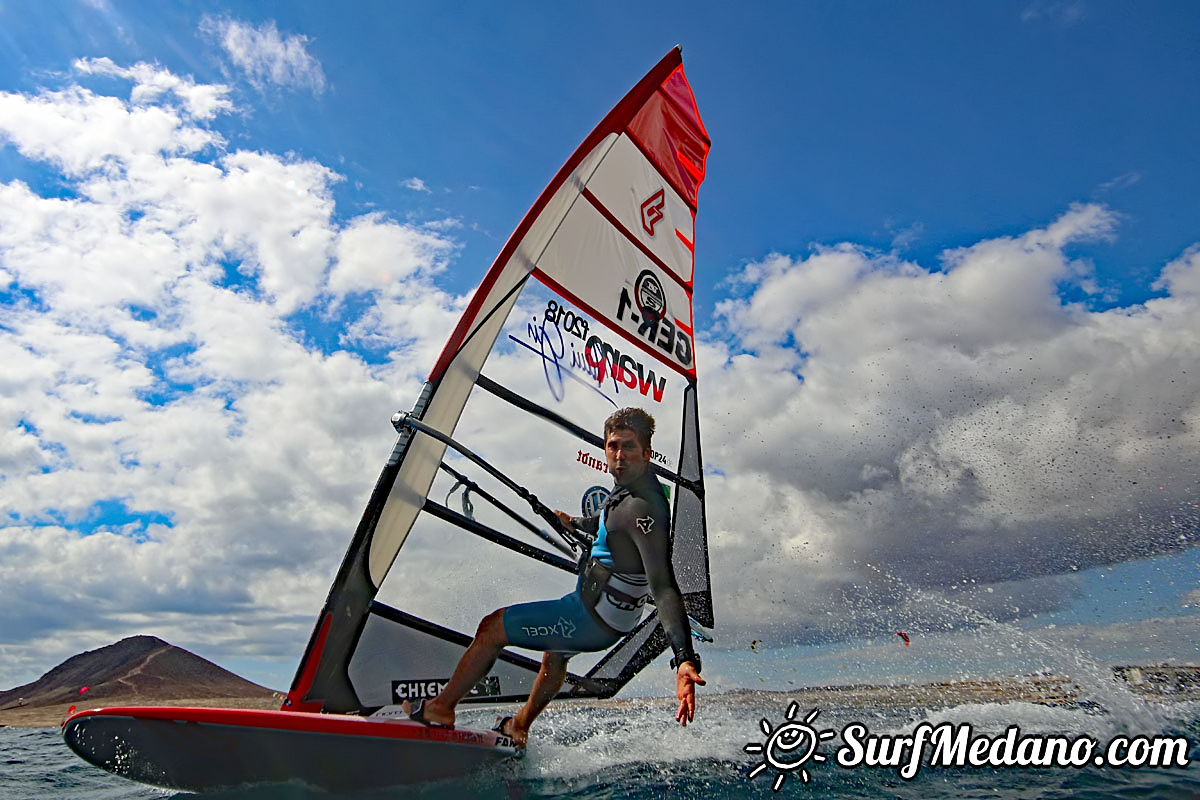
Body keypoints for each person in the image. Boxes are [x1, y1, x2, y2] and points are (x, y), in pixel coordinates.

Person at [403, 407, 704, 747]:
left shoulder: (642, 508)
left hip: (593, 618)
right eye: (613, 446)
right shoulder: (630, 490)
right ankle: (518, 725)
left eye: (629, 447)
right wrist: (574, 522)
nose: (619, 456)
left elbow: (663, 588)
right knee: (555, 654)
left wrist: (683, 659)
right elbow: (609, 524)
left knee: (493, 628)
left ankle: (441, 708)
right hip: (600, 610)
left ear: (647, 452)